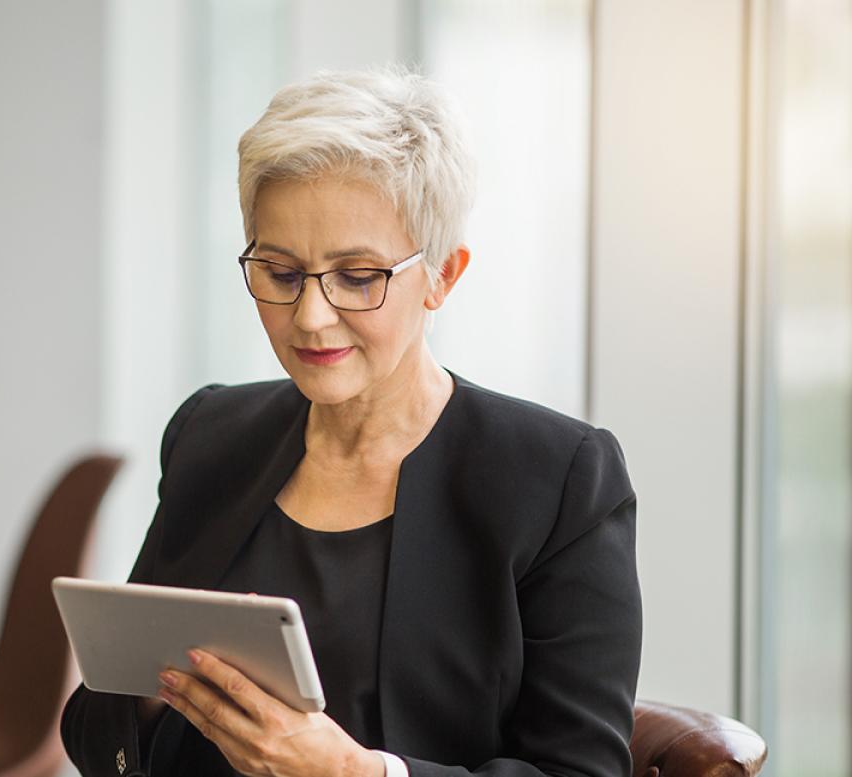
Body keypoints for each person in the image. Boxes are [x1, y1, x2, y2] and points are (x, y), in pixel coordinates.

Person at [60, 67, 641, 777]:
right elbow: (97, 732)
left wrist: (354, 773)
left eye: (358, 276)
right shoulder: (210, 435)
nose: (310, 316)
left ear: (443, 276)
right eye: (280, 271)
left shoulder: (558, 480)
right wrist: (163, 686)